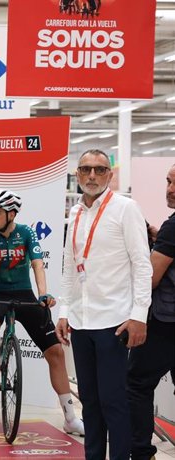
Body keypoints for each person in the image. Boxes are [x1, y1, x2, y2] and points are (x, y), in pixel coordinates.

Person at [56, 149, 152, 460]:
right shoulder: (76, 213)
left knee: (114, 402)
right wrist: (63, 311)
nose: (92, 176)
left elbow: (142, 264)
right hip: (82, 323)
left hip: (114, 322)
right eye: (86, 170)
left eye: (99, 170)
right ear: (78, 175)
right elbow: (70, 266)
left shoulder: (126, 209)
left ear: (110, 175)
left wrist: (139, 316)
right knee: (91, 402)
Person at [0, 189, 84, 435]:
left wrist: (43, 294)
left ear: (11, 213)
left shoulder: (26, 233)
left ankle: (70, 417)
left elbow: (37, 265)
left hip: (24, 293)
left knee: (55, 352)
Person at [128, 164, 175, 460]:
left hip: (165, 323)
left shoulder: (173, 227)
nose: (169, 189)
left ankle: (141, 453)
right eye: (168, 181)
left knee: (136, 383)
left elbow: (152, 279)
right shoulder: (169, 230)